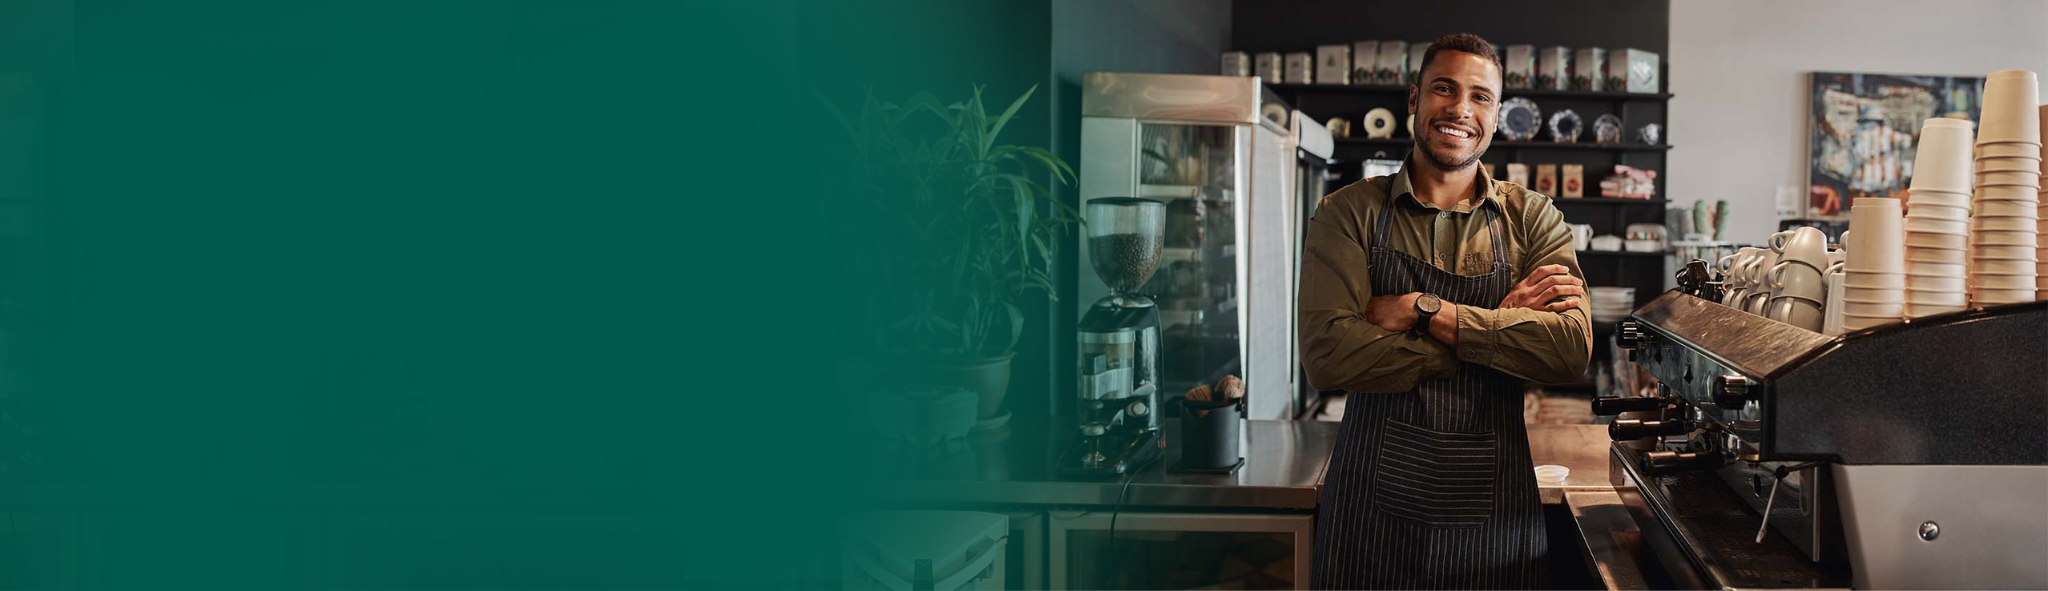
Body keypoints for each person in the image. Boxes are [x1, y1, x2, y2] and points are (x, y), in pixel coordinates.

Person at [1297, 33, 1593, 590]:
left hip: (1495, 521)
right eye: (1444, 89)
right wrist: (1495, 331)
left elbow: (1568, 351)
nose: (1460, 109)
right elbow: (1328, 357)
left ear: (1497, 115)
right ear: (1414, 100)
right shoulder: (1347, 214)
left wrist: (1422, 309)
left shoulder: (1533, 219)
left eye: (1480, 97)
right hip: (1369, 522)